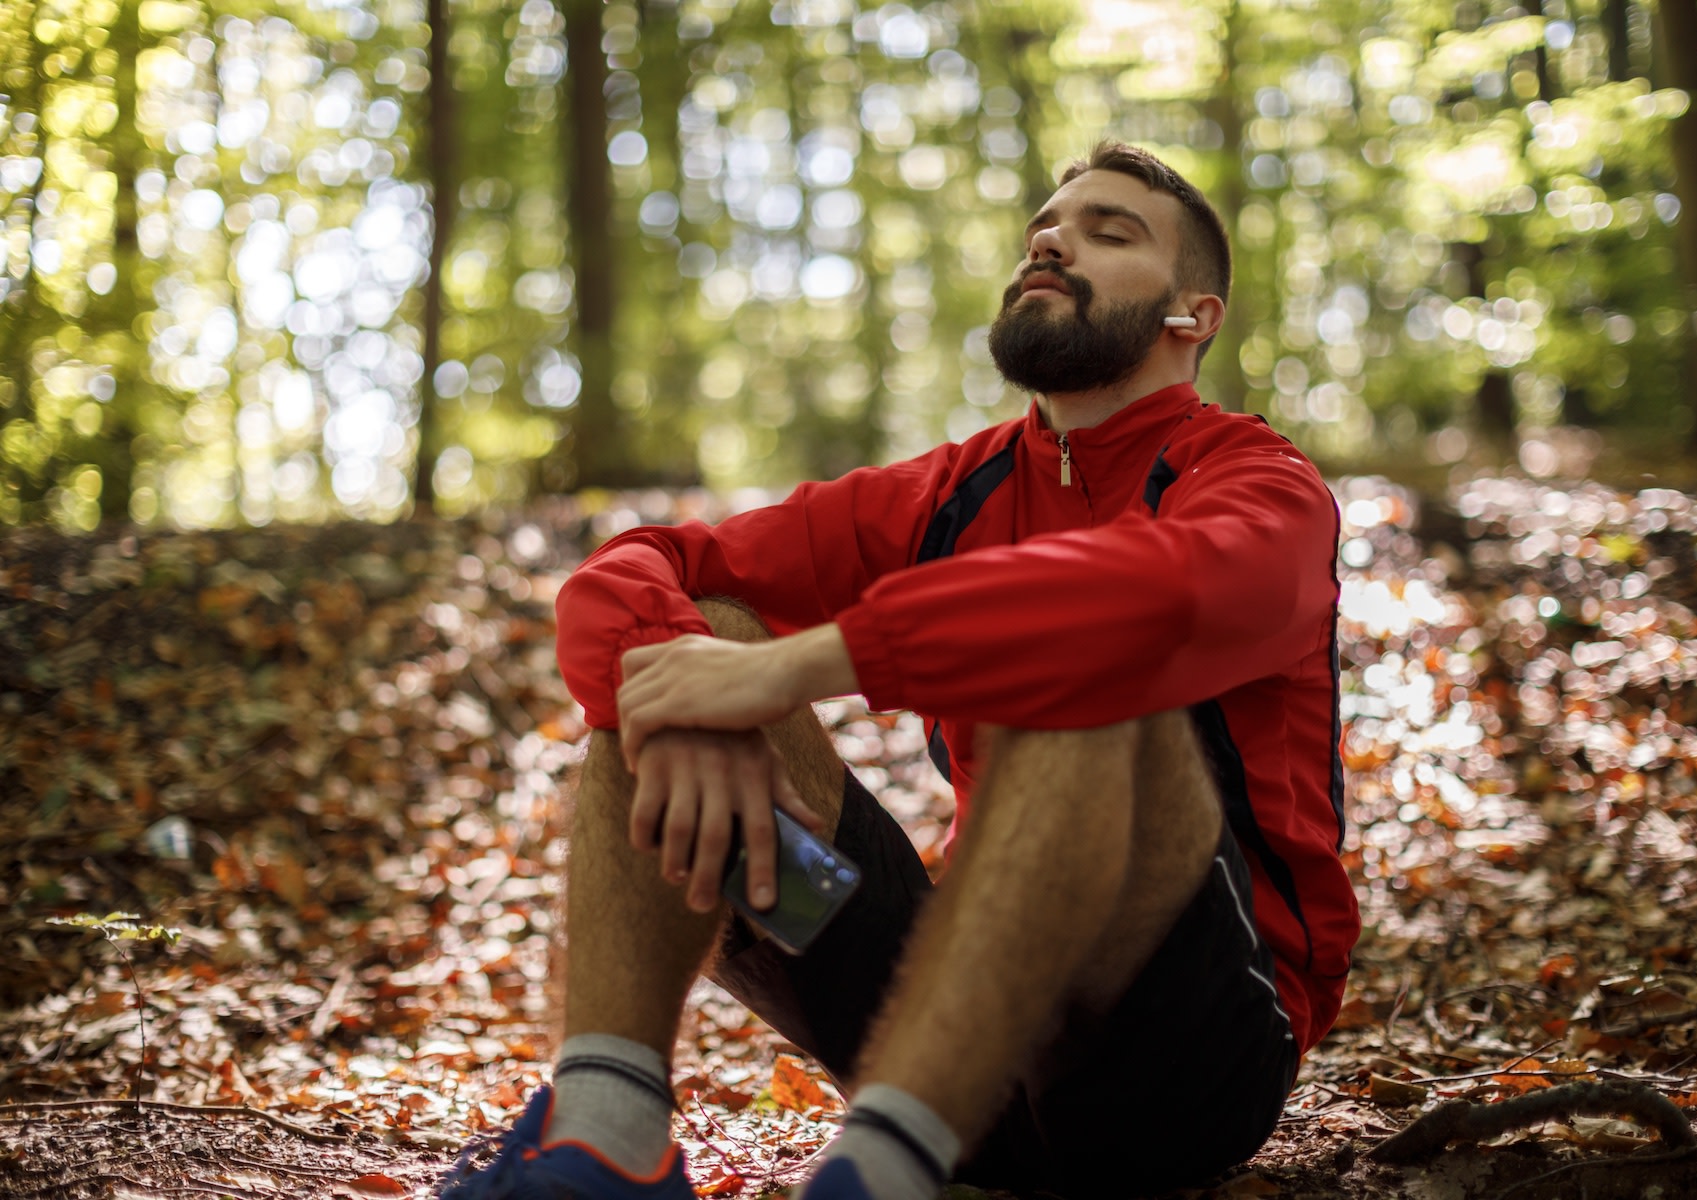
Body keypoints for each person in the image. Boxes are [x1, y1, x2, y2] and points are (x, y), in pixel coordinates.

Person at [438, 140, 1357, 1200]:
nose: (1052, 242)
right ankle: (606, 1140)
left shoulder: (1256, 480)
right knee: (692, 642)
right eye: (1044, 230)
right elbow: (647, 565)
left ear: (1191, 316)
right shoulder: (954, 490)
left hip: (1185, 1060)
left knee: (1085, 665)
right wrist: (681, 689)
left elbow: (1174, 595)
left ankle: (881, 1173)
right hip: (954, 1040)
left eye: (1110, 232)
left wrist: (809, 665)